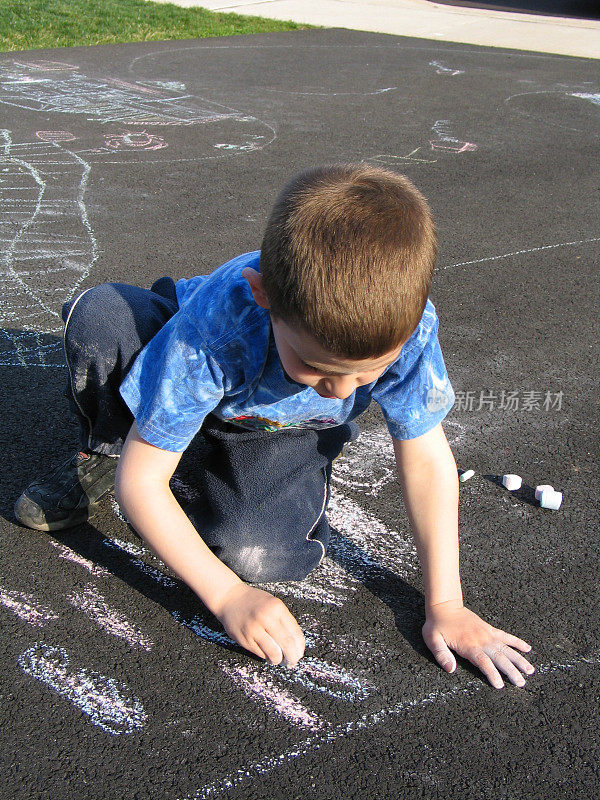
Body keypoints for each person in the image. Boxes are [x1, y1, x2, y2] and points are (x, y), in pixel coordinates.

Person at [14, 164, 535, 688]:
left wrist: (446, 603)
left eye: (368, 371)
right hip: (188, 378)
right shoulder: (216, 329)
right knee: (103, 321)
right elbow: (141, 485)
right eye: (317, 367)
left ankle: (194, 460)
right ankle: (107, 449)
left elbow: (425, 456)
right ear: (263, 296)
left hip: (278, 431)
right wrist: (226, 596)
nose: (341, 391)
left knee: (261, 555)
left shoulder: (409, 328)